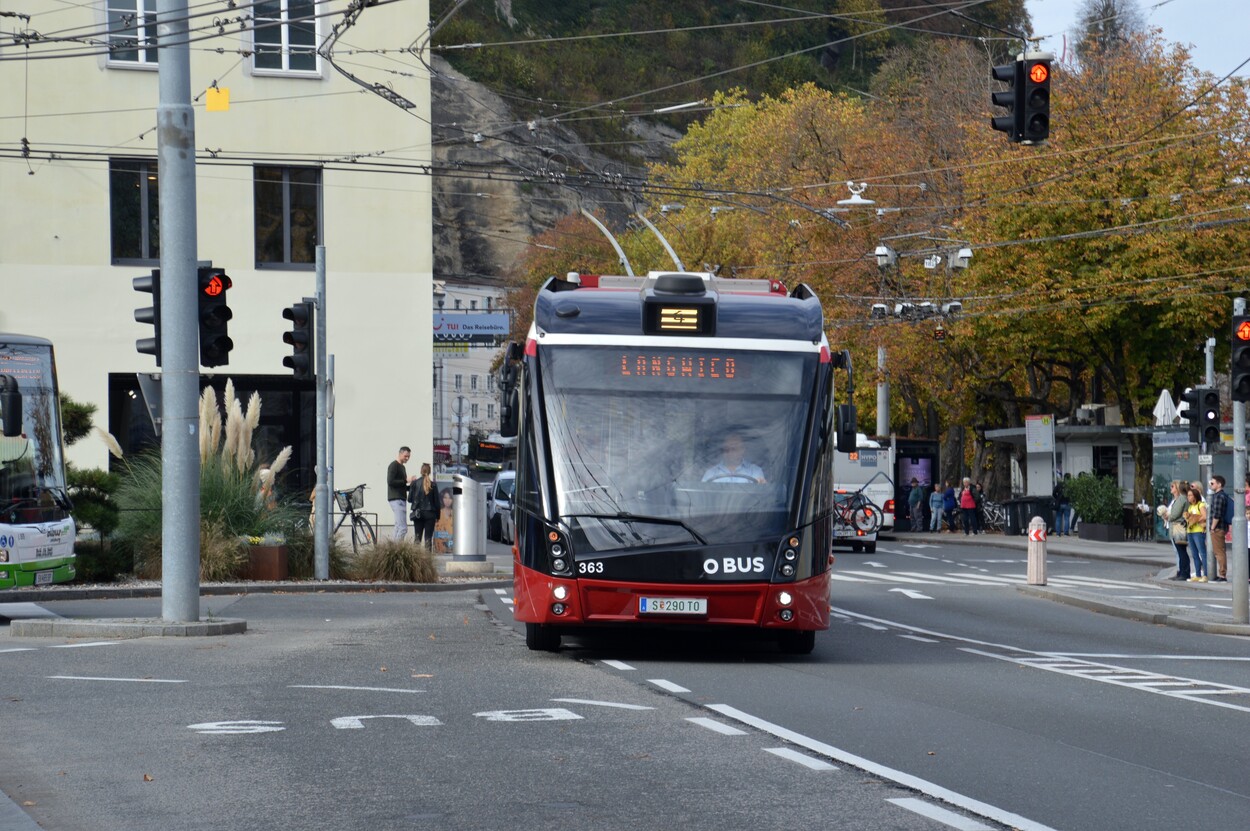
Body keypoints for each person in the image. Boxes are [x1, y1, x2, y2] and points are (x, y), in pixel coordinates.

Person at [1162, 480, 1190, 581]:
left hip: (1178, 527)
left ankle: (1184, 573)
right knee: (1181, 551)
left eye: (1172, 487)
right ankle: (1182, 572)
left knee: (1181, 551)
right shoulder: (1184, 498)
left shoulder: (1181, 499)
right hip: (1180, 526)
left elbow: (1174, 514)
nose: (1171, 488)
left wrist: (1167, 517)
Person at [387, 446, 416, 541]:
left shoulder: (402, 467)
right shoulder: (393, 465)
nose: (407, 458)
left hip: (400, 498)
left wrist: (411, 485)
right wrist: (406, 480)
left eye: (408, 457)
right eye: (405, 456)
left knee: (398, 527)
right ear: (400, 454)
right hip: (396, 499)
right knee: (403, 528)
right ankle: (397, 551)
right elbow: (390, 481)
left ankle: (392, 551)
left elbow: (402, 485)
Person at [409, 463, 440, 548]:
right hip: (430, 514)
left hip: (418, 513)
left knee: (417, 539)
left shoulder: (414, 483)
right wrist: (438, 516)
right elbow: (437, 503)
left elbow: (409, 499)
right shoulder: (433, 485)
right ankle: (428, 559)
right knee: (428, 539)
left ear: (421, 471)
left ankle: (415, 559)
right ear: (429, 472)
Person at [1207, 475, 1231, 582]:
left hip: (1218, 528)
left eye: (1212, 483)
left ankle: (1222, 575)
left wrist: (1212, 527)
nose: (1210, 485)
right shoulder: (1222, 496)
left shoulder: (1219, 497)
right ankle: (1221, 574)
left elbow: (1217, 514)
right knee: (1219, 551)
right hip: (1221, 527)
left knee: (1219, 552)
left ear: (1219, 484)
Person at [1185, 484, 1208, 582]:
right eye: (1188, 495)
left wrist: (1196, 519)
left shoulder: (1200, 505)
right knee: (1194, 554)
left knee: (1202, 553)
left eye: (1190, 495)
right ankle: (1198, 574)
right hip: (1190, 531)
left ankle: (1206, 574)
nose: (1188, 497)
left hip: (1198, 531)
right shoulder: (1190, 507)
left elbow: (1205, 516)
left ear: (1195, 496)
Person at [433, 487, 455, 554]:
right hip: (439, 548)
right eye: (445, 497)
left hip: (452, 547)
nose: (447, 500)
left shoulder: (455, 514)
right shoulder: (439, 513)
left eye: (450, 498)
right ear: (442, 498)